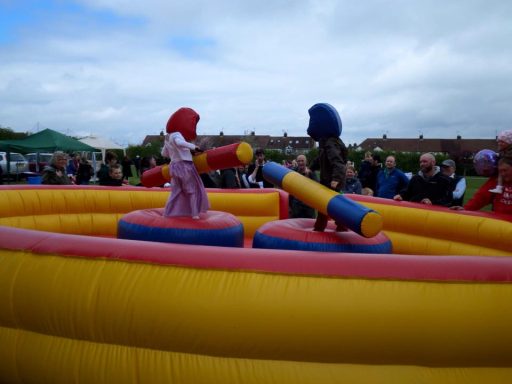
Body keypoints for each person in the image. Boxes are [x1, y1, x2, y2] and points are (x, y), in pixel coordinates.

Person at [161, 107, 209, 219]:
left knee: (175, 191)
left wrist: (176, 153)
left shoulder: (167, 137)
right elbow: (179, 142)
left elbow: (164, 153)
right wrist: (194, 147)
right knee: (192, 190)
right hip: (184, 166)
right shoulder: (177, 134)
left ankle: (167, 213)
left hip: (174, 166)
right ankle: (194, 214)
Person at [308, 103, 348, 232]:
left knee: (331, 206)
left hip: (332, 181)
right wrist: (312, 167)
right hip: (327, 179)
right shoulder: (324, 141)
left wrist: (335, 179)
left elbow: (338, 163)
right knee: (324, 206)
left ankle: (340, 227)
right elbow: (320, 158)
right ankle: (321, 227)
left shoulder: (331, 142)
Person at [289, 154, 317, 218]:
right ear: (296, 162)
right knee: (295, 223)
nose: (300, 163)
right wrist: (290, 205)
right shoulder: (293, 171)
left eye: (302, 161)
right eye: (299, 161)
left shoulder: (311, 172)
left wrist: (308, 178)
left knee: (309, 223)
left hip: (308, 204)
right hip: (296, 204)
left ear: (306, 162)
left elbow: (317, 185)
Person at [489, 129, 512, 194]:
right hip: (504, 169)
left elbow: (506, 157)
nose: (499, 143)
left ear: (509, 142)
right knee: (501, 172)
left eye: (502, 142)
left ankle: (499, 187)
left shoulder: (509, 152)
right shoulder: (504, 150)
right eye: (499, 141)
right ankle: (499, 187)